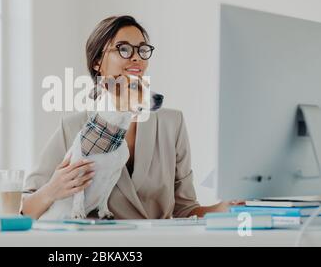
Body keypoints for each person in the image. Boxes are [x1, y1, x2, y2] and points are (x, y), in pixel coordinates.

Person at [20, 15, 237, 220]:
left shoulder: (172, 124)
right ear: (97, 62)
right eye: (123, 49)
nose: (136, 57)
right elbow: (24, 210)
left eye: (142, 50)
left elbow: (185, 209)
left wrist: (224, 207)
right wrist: (52, 190)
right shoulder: (73, 127)